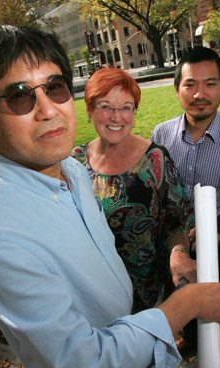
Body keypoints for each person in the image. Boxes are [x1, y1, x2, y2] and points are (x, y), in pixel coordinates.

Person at [0, 25, 220, 368]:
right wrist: (185, 305)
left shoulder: (69, 170)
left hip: (136, 335)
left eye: (54, 87)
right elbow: (89, 366)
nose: (48, 109)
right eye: (19, 96)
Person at [71, 68, 195, 313]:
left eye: (126, 107)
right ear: (89, 110)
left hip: (149, 297)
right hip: (95, 296)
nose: (117, 117)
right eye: (106, 106)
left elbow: (178, 224)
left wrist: (179, 253)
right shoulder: (75, 162)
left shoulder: (155, 159)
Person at [151, 46, 220, 352]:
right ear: (177, 88)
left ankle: (213, 360)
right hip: (172, 244)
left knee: (214, 320)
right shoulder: (161, 136)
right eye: (190, 84)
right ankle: (183, 348)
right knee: (177, 305)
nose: (199, 93)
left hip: (216, 245)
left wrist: (217, 230)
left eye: (210, 84)